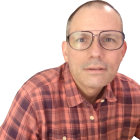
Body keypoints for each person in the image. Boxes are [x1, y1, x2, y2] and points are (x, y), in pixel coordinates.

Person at [0, 0, 140, 139]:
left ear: (123, 50)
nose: (96, 52)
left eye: (108, 39)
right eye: (81, 39)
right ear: (65, 51)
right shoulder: (33, 97)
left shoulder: (135, 95)